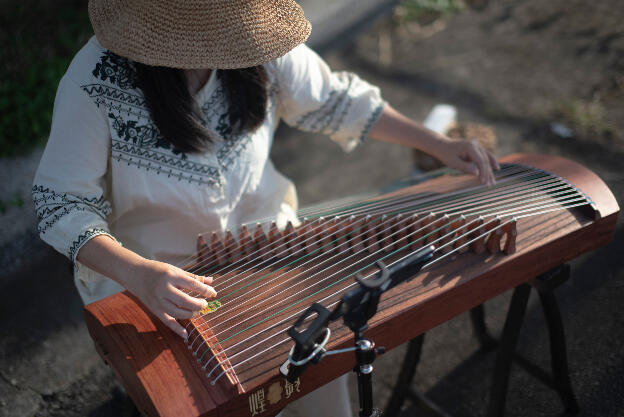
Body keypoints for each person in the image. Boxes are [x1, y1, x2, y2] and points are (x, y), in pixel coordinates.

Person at [33, 0, 498, 415]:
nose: (226, 43)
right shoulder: (96, 78)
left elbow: (335, 98)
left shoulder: (252, 37)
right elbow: (60, 201)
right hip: (163, 283)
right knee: (207, 401)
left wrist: (435, 143)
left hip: (270, 252)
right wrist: (139, 273)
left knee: (319, 379)